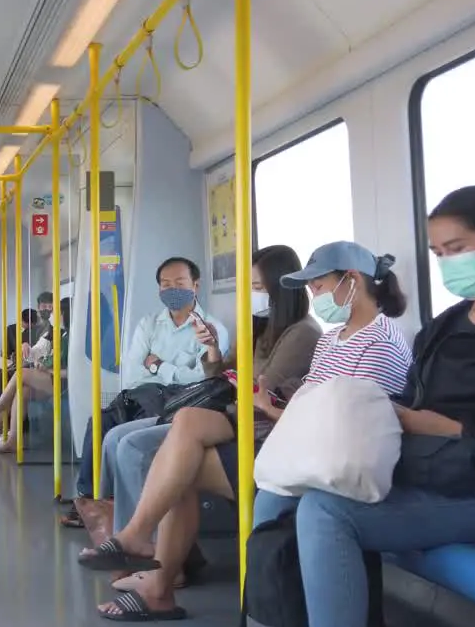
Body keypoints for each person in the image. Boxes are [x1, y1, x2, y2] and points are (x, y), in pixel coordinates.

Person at [253, 187, 475, 627]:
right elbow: (408, 401)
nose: (448, 262)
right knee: (280, 491)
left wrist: (455, 427)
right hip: (435, 468)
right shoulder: (445, 327)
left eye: (457, 249)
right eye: (438, 253)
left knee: (326, 511)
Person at [83, 240, 412, 621]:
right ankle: (141, 546)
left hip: (321, 453)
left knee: (177, 463)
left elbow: (351, 424)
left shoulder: (377, 341)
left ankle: (147, 564)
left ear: (352, 281)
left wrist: (270, 406)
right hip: (294, 431)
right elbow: (309, 399)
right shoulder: (333, 339)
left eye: (318, 286)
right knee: (185, 429)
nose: (313, 295)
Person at [87, 246, 321, 594]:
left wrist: (183, 368)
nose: (252, 294)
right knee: (126, 438)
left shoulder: (301, 334)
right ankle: (137, 542)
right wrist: (212, 350)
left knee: (140, 448)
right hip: (221, 408)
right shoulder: (261, 327)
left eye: (258, 286)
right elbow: (219, 370)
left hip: (247, 419)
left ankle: (147, 547)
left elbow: (259, 390)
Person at [61, 256, 229, 528]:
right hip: (141, 394)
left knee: (127, 435)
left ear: (195, 285)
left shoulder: (211, 329)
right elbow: (133, 370)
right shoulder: (148, 324)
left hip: (180, 401)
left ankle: (123, 509)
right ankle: (91, 498)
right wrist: (166, 370)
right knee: (99, 423)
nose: (172, 289)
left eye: (179, 282)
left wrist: (158, 365)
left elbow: (201, 378)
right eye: (165, 284)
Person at [0, 298, 71, 454]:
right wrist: (27, 348)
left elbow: (74, 370)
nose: (53, 314)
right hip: (50, 379)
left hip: (65, 382)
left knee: (21, 373)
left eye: (57, 311)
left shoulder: (72, 337)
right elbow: (35, 354)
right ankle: (12, 439)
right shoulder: (54, 333)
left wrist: (49, 370)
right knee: (21, 391)